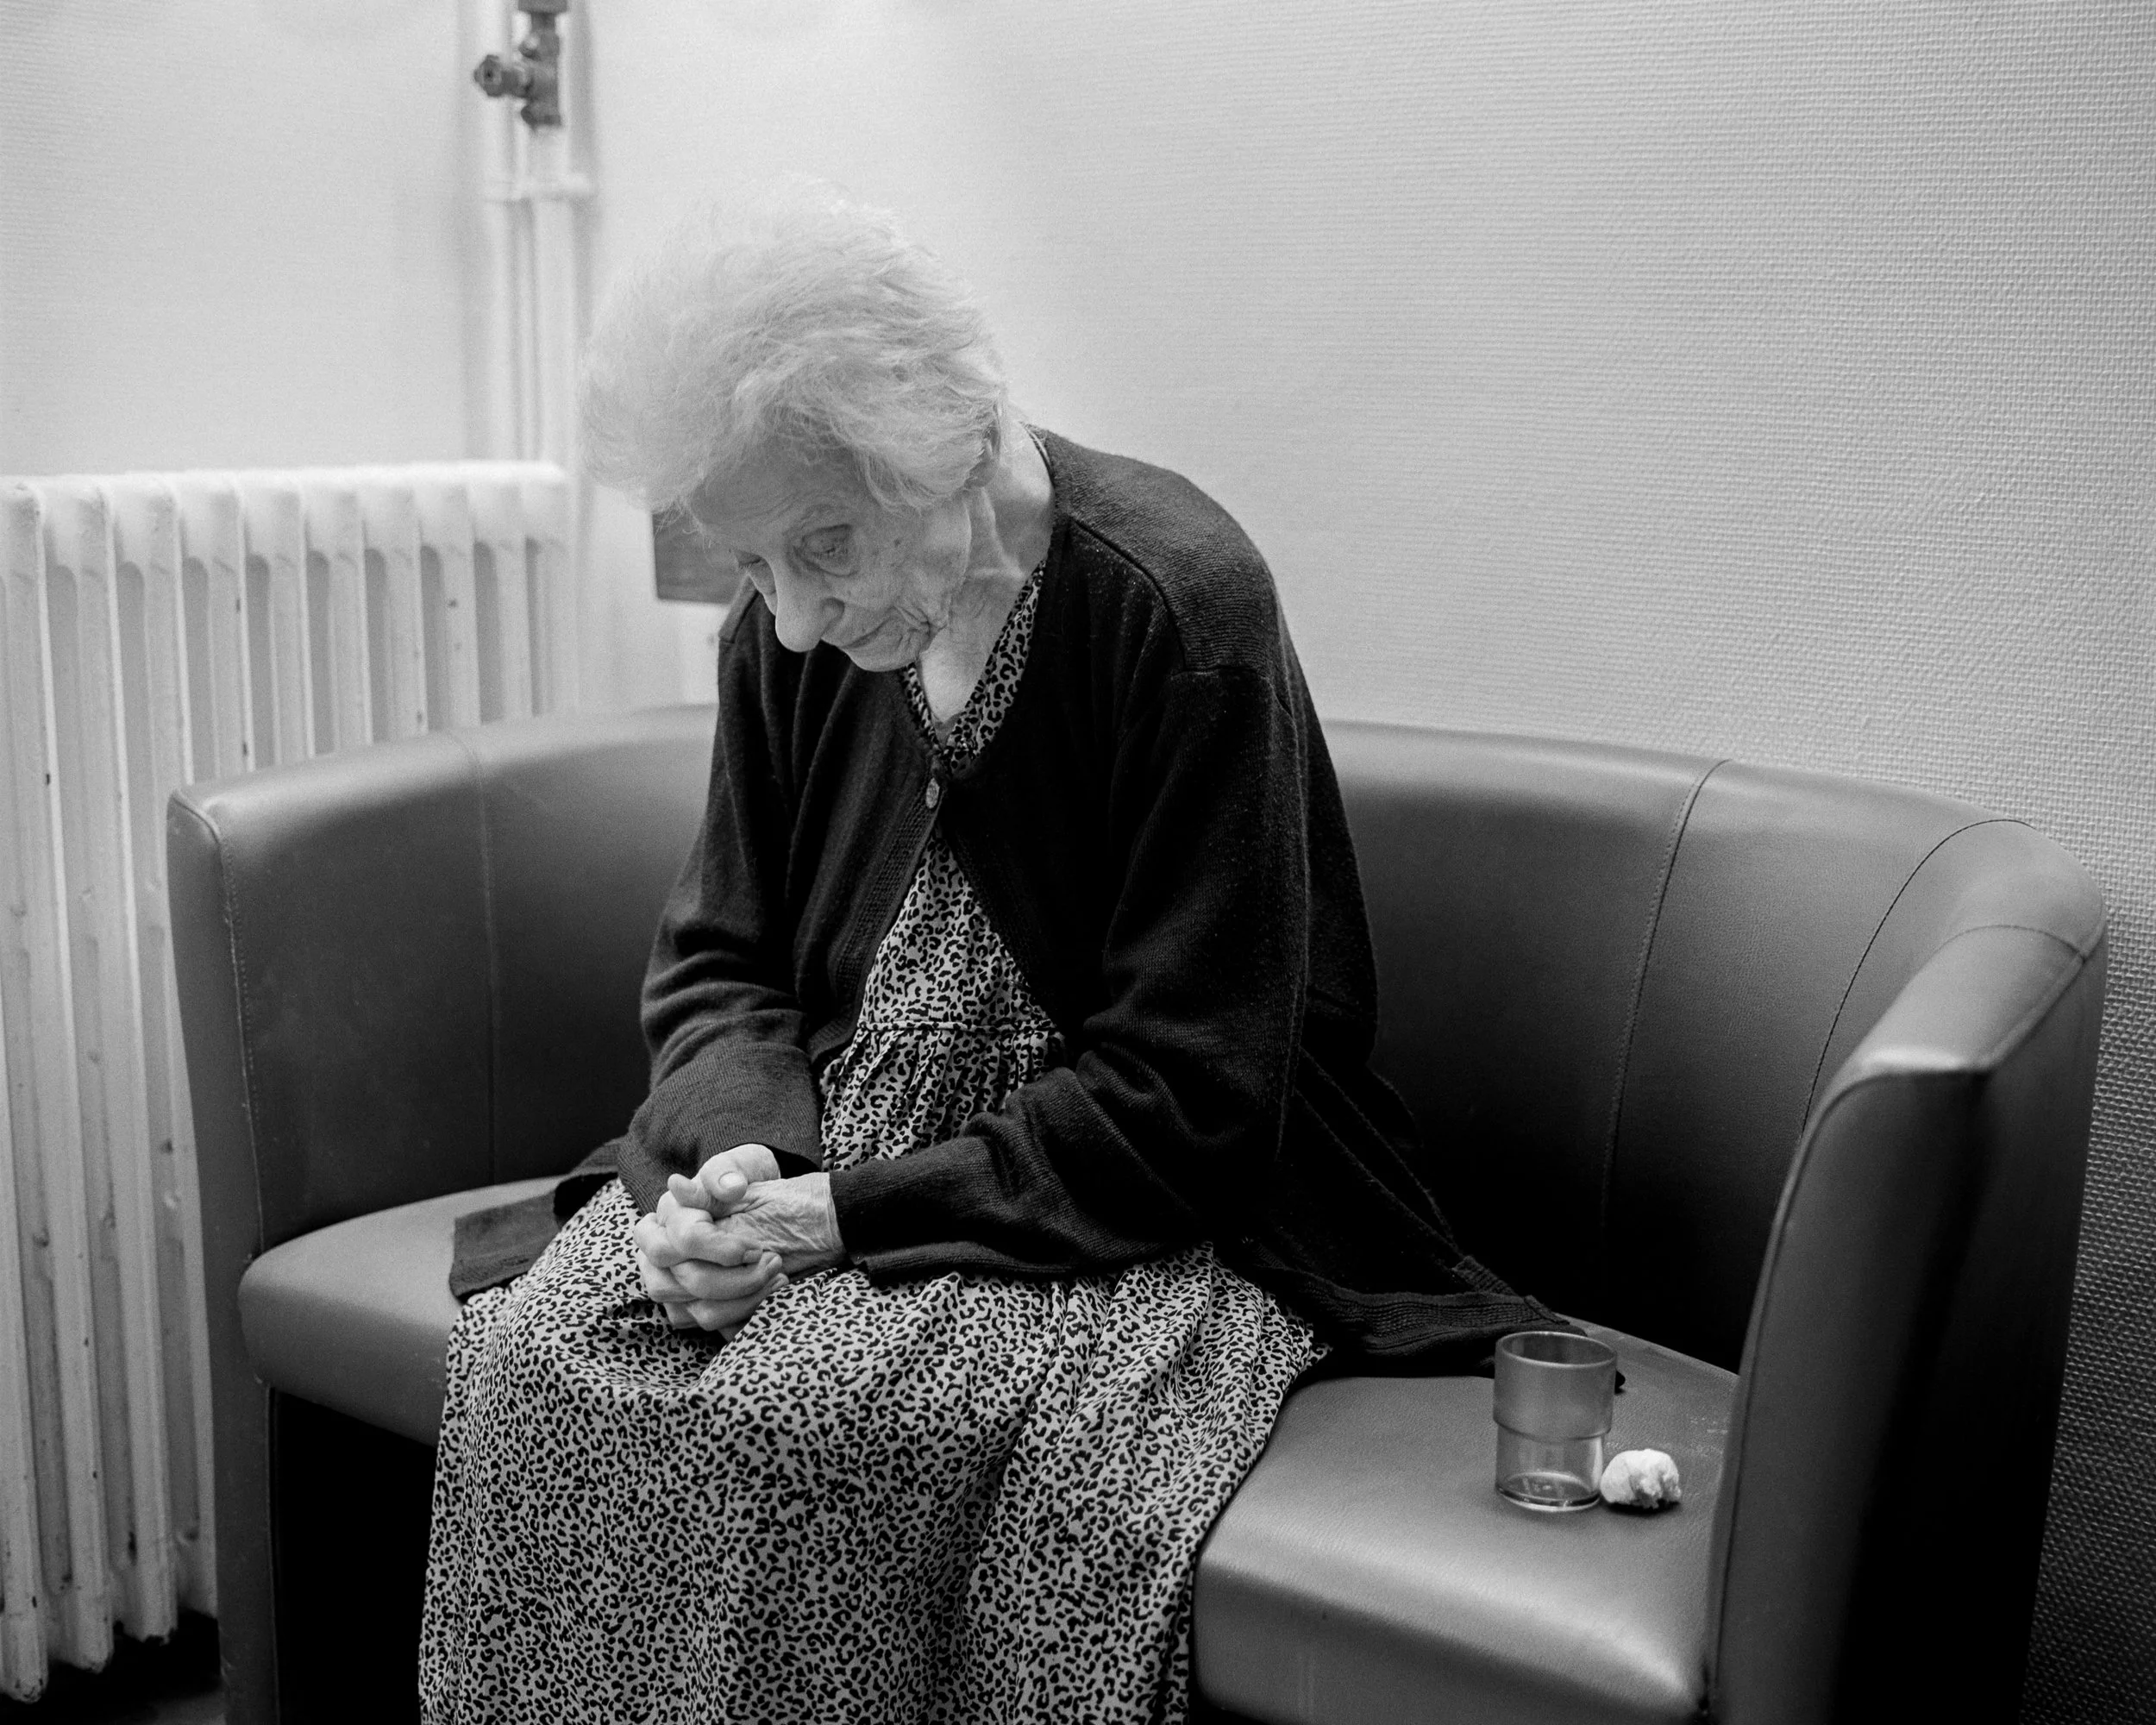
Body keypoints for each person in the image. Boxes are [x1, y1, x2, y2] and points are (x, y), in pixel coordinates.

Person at [418, 186, 1554, 1725]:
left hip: (1121, 1204)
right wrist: (741, 1168)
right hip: (824, 1155)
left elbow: (1196, 1092)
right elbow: (719, 960)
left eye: (824, 546)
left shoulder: (1173, 602)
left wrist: (841, 1221)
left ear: (940, 439)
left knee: (806, 1419)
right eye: (752, 566)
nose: (793, 622)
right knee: (538, 1361)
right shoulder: (790, 633)